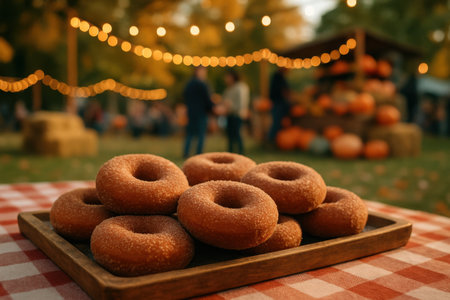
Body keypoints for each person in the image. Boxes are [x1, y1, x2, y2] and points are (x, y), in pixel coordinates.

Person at [183, 66, 214, 158]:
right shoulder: (203, 84)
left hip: (191, 112)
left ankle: (186, 153)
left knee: (190, 134)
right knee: (200, 134)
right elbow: (207, 100)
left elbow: (184, 97)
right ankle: (198, 154)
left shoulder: (189, 84)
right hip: (201, 113)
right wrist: (212, 108)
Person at [223, 70, 249, 154]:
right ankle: (231, 153)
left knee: (237, 134)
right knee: (230, 136)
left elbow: (240, 104)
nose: (226, 79)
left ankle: (240, 153)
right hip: (230, 115)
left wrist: (230, 106)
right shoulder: (229, 88)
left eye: (227, 77)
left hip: (237, 115)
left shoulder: (240, 87)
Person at [268, 67, 291, 142]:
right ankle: (271, 140)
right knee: (276, 122)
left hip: (278, 103)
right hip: (278, 103)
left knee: (278, 122)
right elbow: (282, 90)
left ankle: (274, 140)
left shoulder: (280, 77)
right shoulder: (278, 77)